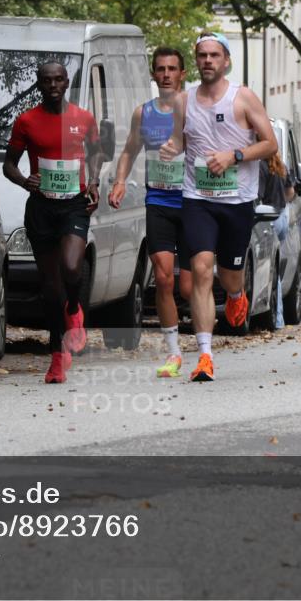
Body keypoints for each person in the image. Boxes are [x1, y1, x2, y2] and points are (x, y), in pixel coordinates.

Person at [160, 31, 278, 382]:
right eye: (202, 55)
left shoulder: (242, 98)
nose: (207, 61)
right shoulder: (184, 101)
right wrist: (171, 148)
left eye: (214, 55)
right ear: (195, 62)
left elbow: (270, 144)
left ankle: (237, 294)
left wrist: (235, 155)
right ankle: (205, 355)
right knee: (200, 268)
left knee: (228, 276)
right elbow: (181, 140)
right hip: (197, 198)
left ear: (226, 61)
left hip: (237, 201)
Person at [3, 61, 103, 384]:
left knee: (72, 266)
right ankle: (58, 358)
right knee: (49, 287)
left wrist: (95, 182)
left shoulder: (84, 118)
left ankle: (74, 308)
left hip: (74, 204)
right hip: (41, 208)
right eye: (47, 81)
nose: (53, 85)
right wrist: (23, 181)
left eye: (59, 79)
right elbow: (9, 165)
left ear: (67, 82)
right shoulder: (26, 121)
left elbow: (97, 154)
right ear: (39, 84)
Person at [109, 47, 192, 378]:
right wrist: (118, 180)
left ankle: (203, 348)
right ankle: (174, 354)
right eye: (161, 69)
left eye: (173, 69)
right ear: (154, 75)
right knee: (162, 278)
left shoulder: (194, 109)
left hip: (192, 202)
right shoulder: (143, 113)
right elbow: (129, 150)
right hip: (158, 200)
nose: (167, 74)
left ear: (182, 74)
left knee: (189, 287)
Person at [258, 151, 294, 328]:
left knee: (267, 268)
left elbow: (258, 196)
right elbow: (291, 192)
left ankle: (274, 316)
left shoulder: (260, 166)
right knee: (274, 269)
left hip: (267, 218)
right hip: (281, 217)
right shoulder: (281, 166)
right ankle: (278, 318)